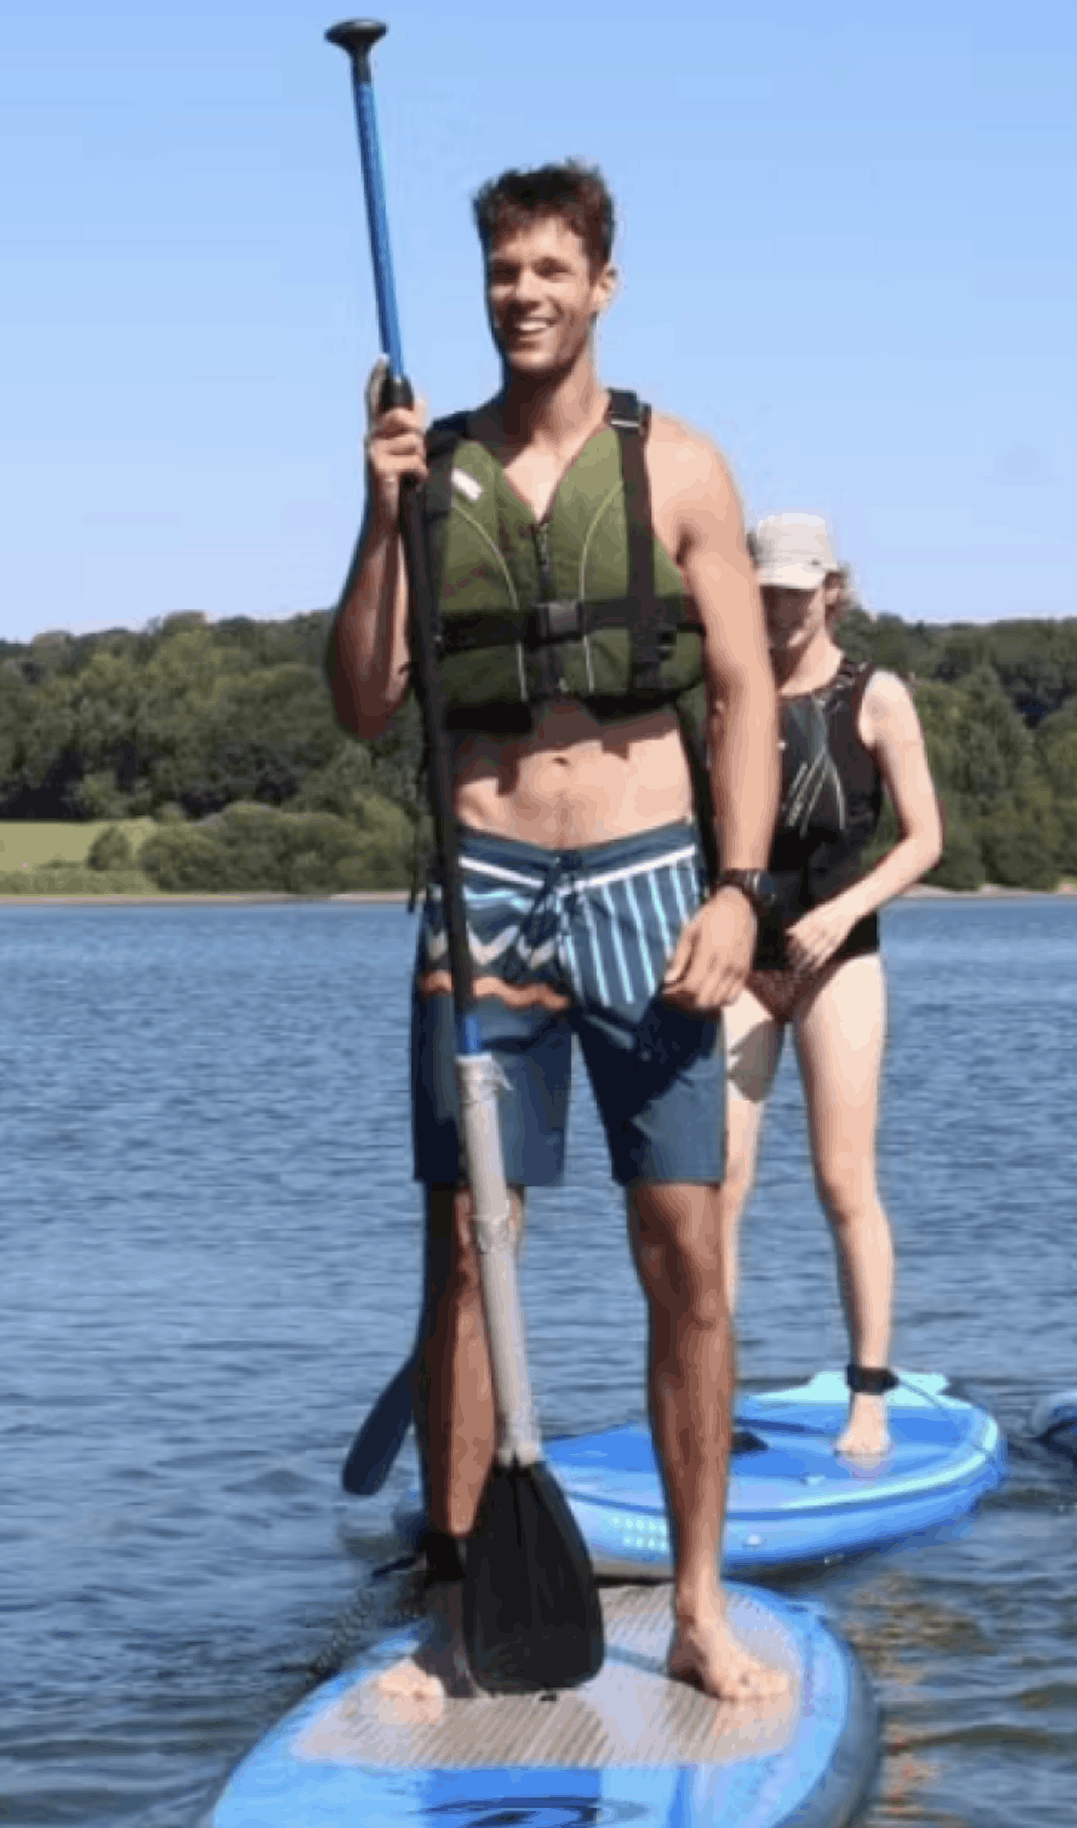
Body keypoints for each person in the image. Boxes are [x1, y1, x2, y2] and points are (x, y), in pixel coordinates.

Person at [326, 159, 785, 1705]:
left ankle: (703, 1604)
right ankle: (453, 1610)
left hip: (655, 887)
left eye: (549, 269)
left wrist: (741, 889)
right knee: (468, 1256)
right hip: (483, 889)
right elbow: (363, 700)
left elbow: (747, 695)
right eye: (503, 275)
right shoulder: (428, 466)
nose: (525, 295)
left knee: (686, 1255)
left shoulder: (684, 470)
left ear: (603, 283)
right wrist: (380, 515)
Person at [715, 512, 947, 1461]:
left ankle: (869, 1397)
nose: (778, 606)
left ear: (831, 591)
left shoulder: (876, 695)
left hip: (837, 961)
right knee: (714, 1189)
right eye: (763, 588)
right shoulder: (726, 689)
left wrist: (845, 911)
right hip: (740, 958)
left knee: (843, 1181)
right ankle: (709, 1401)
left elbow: (926, 839)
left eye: (795, 590)